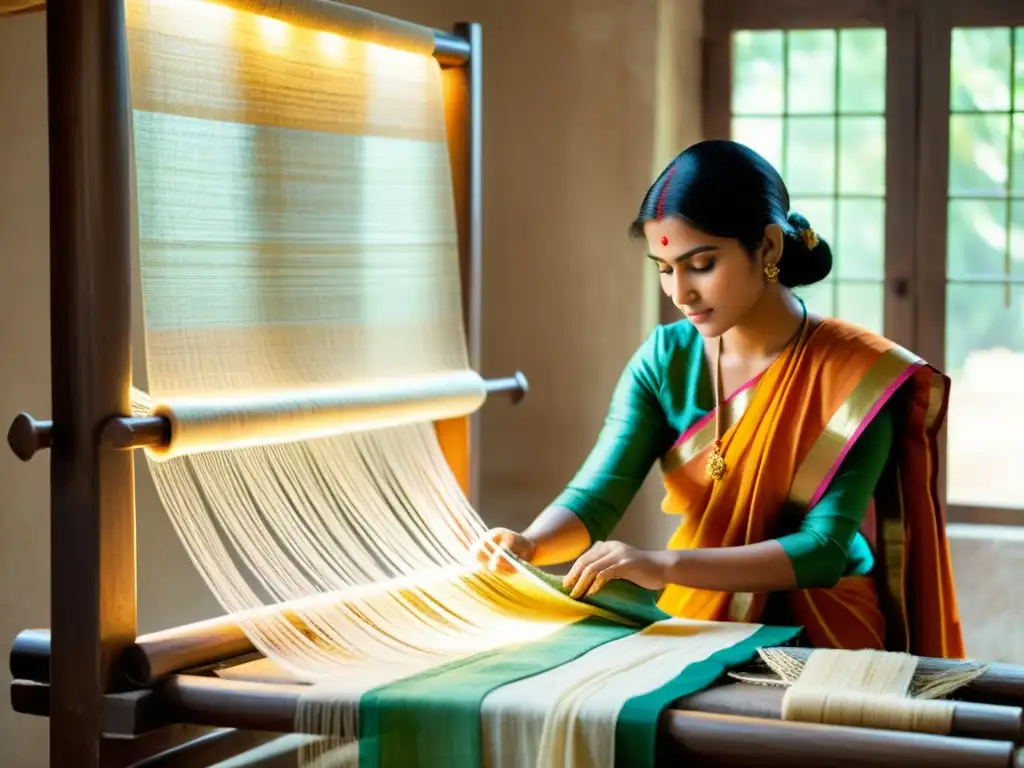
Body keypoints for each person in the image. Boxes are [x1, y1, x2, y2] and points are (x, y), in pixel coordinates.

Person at [478, 140, 964, 659]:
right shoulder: (665, 360)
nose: (679, 293)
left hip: (825, 639)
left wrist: (660, 564)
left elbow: (822, 550)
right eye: (664, 267)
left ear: (769, 249)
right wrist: (528, 544)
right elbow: (596, 497)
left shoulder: (855, 372)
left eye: (701, 264)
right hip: (697, 623)